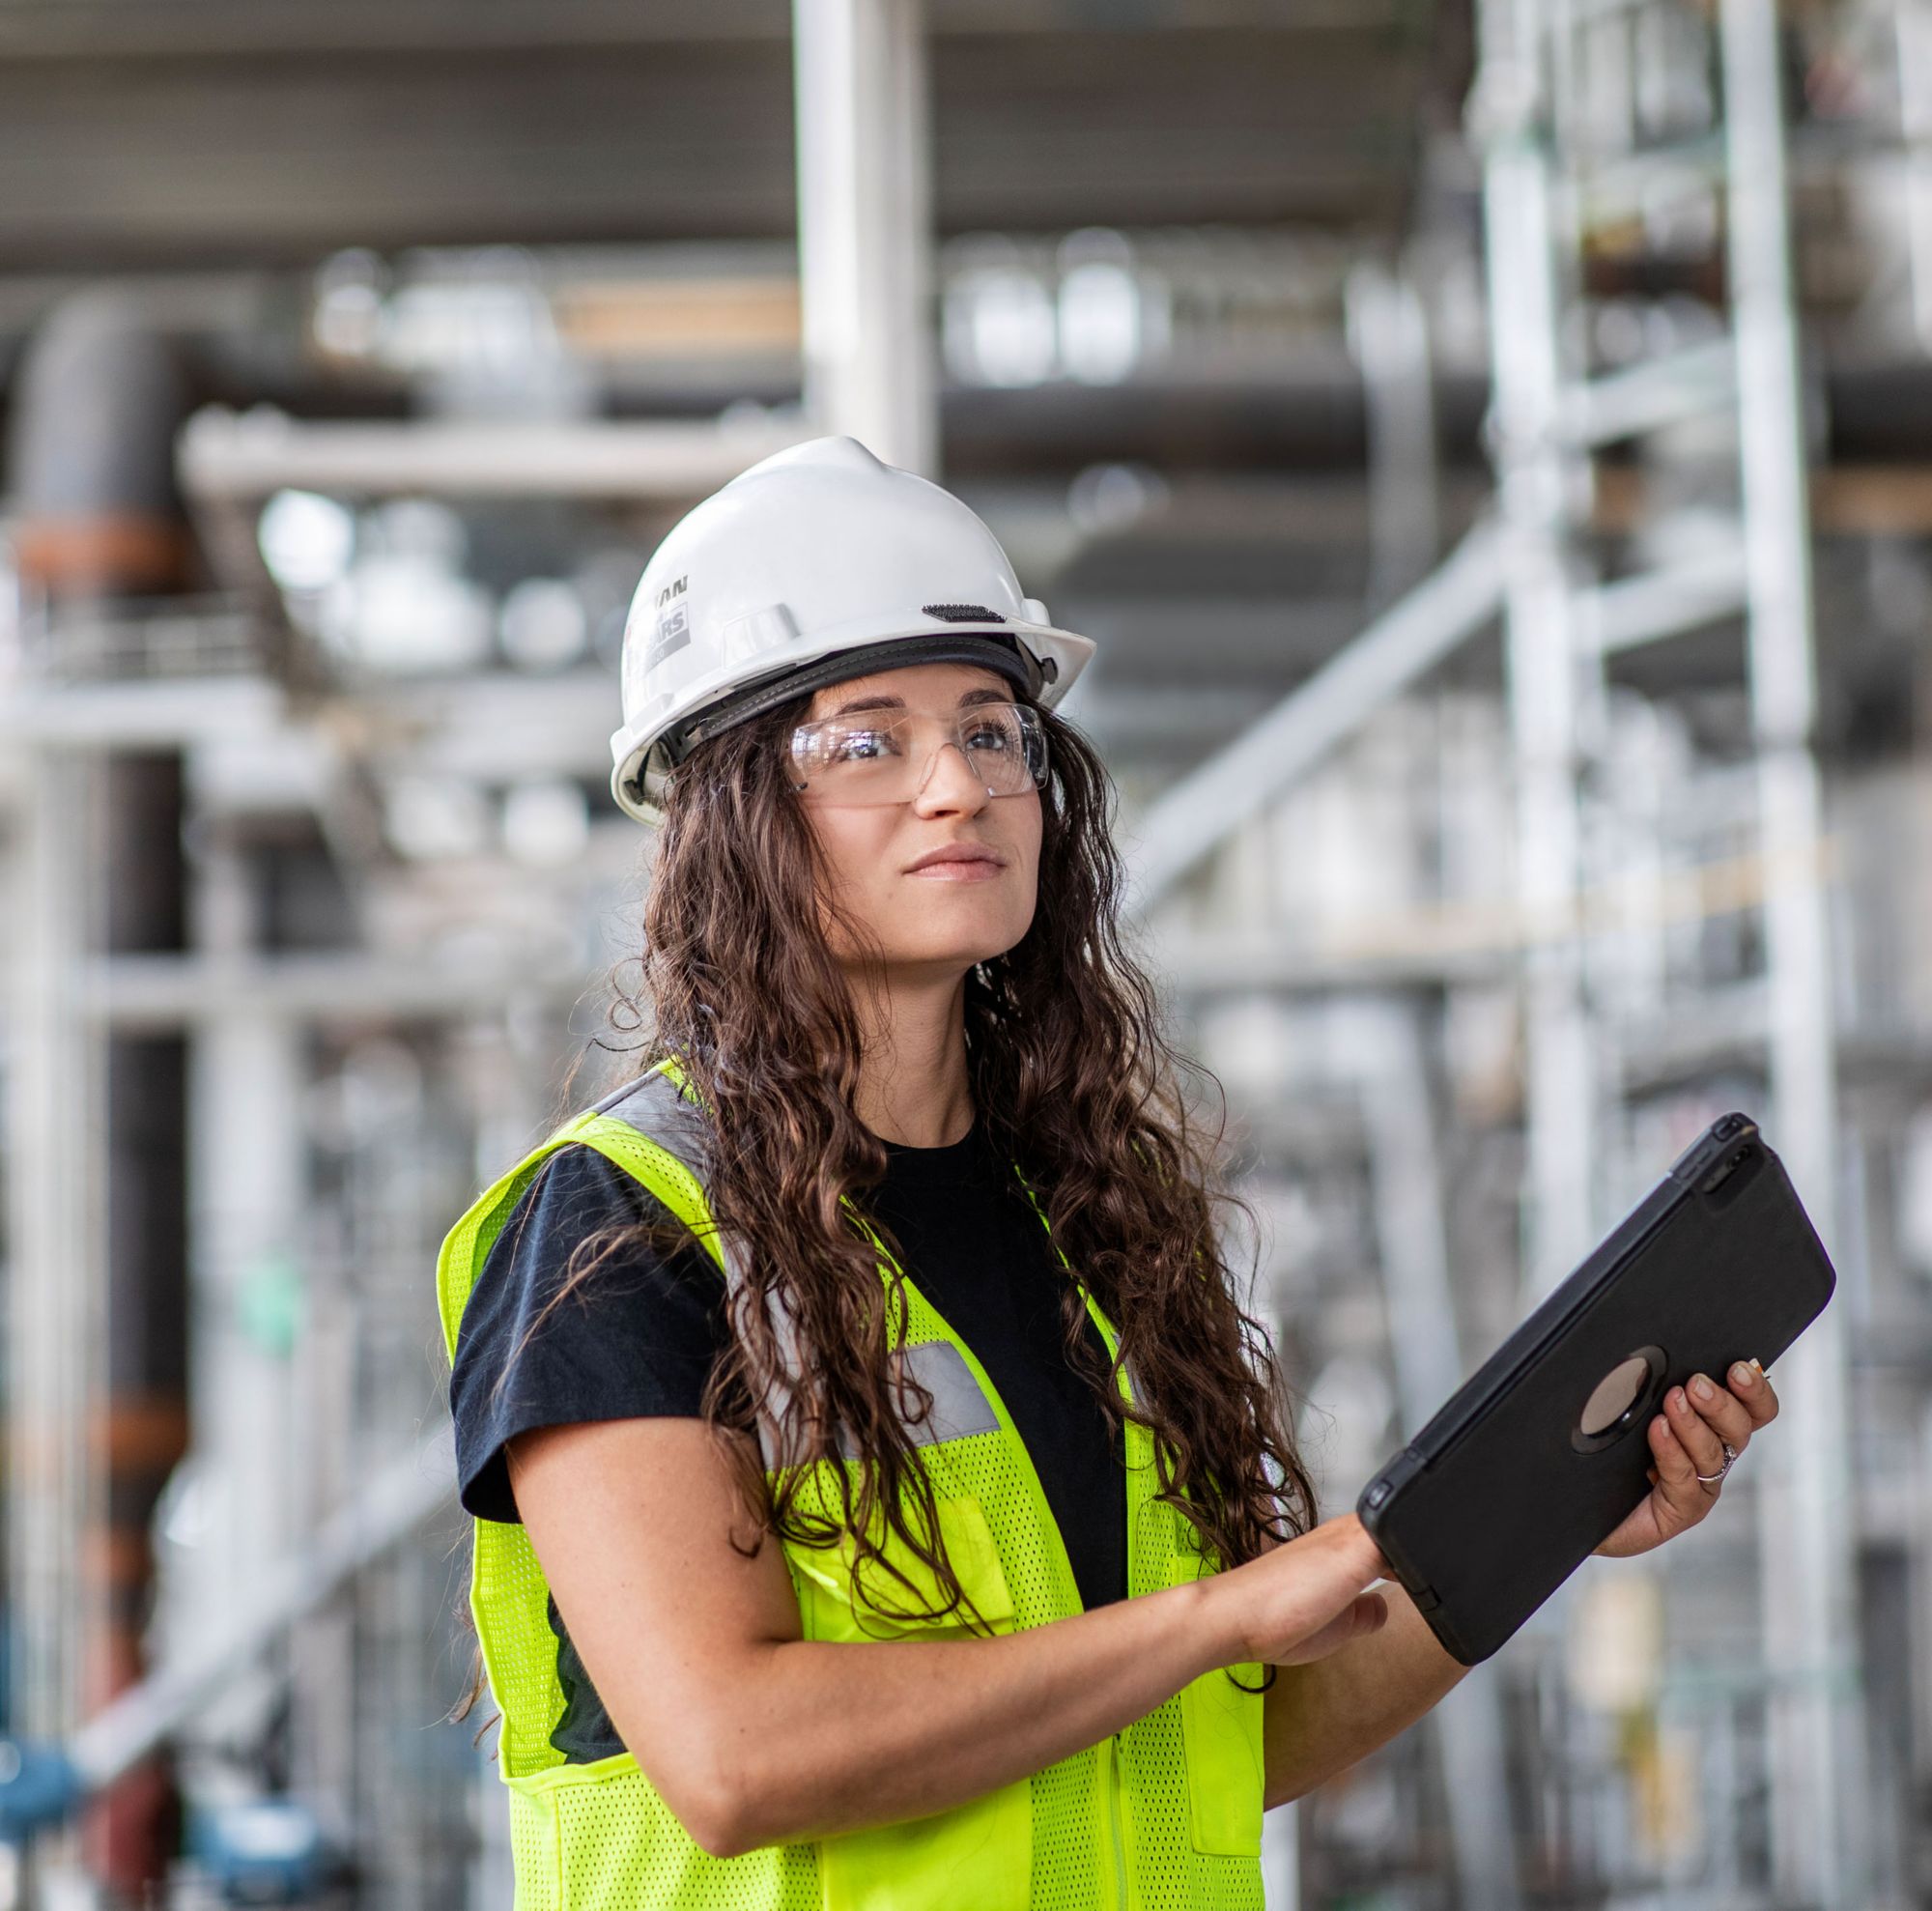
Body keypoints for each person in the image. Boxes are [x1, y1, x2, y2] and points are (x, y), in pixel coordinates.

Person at [436, 436, 1782, 1911]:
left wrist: (1556, 1507)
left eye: (993, 729)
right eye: (867, 740)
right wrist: (1212, 1616)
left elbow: (1224, 1739)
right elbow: (731, 1752)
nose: (958, 784)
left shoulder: (1095, 1223)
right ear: (730, 814)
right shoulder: (624, 1219)